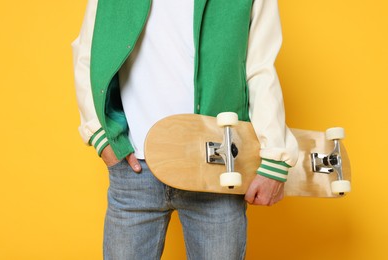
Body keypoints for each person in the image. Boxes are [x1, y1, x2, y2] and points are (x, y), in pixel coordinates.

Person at [72, 0, 298, 259]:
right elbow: (88, 52)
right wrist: (101, 137)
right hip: (134, 171)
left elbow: (261, 67)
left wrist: (275, 157)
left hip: (217, 171)